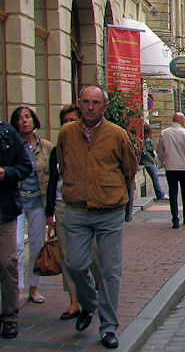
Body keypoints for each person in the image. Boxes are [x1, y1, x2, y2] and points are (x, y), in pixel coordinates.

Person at [58, 85, 138, 349]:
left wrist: (118, 197)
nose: (90, 107)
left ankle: (108, 327)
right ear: (79, 104)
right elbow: (63, 161)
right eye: (86, 102)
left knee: (109, 270)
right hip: (77, 209)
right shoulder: (67, 133)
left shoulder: (117, 135)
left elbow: (129, 168)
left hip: (109, 210)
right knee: (76, 264)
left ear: (104, 107)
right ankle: (89, 304)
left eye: (95, 103)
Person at [45, 105, 95, 323]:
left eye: (72, 120)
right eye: (64, 121)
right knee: (68, 258)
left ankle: (92, 297)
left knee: (93, 256)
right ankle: (74, 302)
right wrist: (49, 213)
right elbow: (52, 182)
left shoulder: (92, 145)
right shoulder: (57, 150)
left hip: (89, 206)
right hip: (63, 205)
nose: (68, 124)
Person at [10, 105, 53, 305]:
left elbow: (53, 178)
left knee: (36, 246)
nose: (24, 121)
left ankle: (34, 288)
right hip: (17, 201)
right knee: (16, 246)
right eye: (20, 118)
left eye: (27, 117)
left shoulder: (46, 146)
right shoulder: (11, 145)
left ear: (34, 120)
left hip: (38, 202)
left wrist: (51, 209)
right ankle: (17, 288)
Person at [0, 108, 33, 339]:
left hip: (4, 211)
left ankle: (10, 315)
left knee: (7, 263)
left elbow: (25, 166)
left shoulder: (6, 133)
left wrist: (6, 173)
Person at [157, 112, 185, 229]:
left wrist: (165, 161)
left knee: (173, 193)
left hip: (170, 167)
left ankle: (175, 219)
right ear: (179, 120)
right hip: (184, 167)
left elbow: (160, 150)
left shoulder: (164, 133)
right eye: (184, 119)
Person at [138, 124, 167, 201]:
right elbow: (145, 152)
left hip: (151, 161)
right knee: (155, 177)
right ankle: (160, 194)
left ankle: (160, 193)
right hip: (147, 162)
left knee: (155, 177)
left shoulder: (147, 140)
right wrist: (152, 160)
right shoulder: (144, 141)